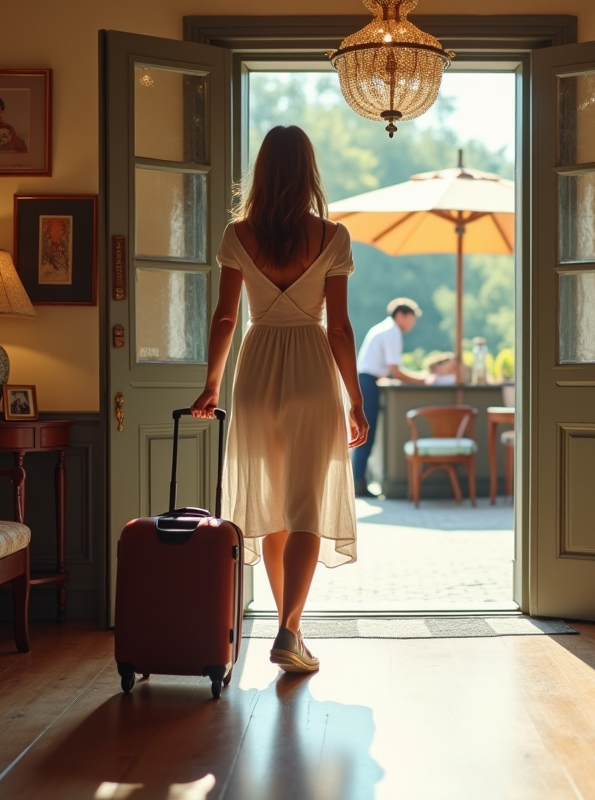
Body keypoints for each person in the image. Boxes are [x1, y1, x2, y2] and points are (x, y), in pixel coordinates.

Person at [191, 125, 367, 674]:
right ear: (308, 171)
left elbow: (225, 317)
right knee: (306, 504)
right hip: (313, 373)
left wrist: (212, 384)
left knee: (271, 508)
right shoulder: (332, 236)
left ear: (263, 171)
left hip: (259, 369)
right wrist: (356, 400)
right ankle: (291, 629)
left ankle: (284, 626)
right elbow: (338, 328)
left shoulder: (238, 236)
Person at [352, 297, 428, 498]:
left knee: (364, 433)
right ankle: (358, 483)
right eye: (412, 319)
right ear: (401, 315)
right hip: (368, 383)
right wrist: (422, 381)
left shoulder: (383, 329)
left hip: (366, 381)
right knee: (366, 433)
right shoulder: (392, 332)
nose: (412, 324)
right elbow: (396, 370)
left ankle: (358, 480)